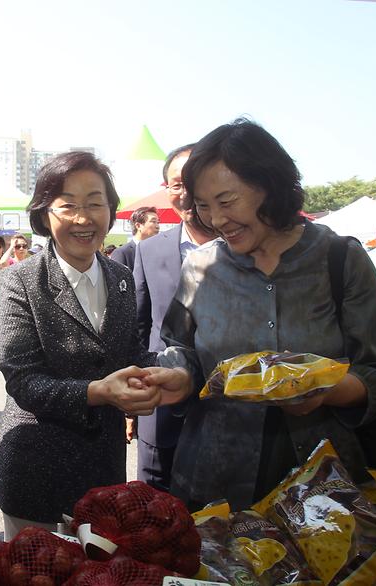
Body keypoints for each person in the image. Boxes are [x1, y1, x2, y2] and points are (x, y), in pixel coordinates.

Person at [145, 119, 376, 512]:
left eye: (227, 202)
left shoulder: (339, 259)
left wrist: (328, 390)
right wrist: (177, 375)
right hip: (217, 480)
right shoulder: (201, 267)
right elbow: (180, 347)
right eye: (204, 207)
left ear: (270, 186)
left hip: (325, 493)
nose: (217, 221)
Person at [0, 151, 176, 539]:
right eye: (68, 206)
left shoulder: (120, 278)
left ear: (111, 210)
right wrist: (99, 392)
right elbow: (23, 381)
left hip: (101, 468)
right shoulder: (18, 281)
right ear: (44, 214)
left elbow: (130, 353)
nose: (83, 218)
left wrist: (166, 369)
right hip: (35, 469)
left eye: (95, 203)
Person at [131, 144, 216, 491]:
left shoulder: (243, 246)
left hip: (229, 407)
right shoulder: (149, 250)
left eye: (193, 181)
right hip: (161, 406)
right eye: (176, 184)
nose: (185, 193)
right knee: (152, 507)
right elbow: (138, 326)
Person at [109, 206, 160, 271]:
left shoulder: (157, 251)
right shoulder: (122, 253)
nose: (157, 226)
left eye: (158, 222)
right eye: (153, 221)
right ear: (138, 226)